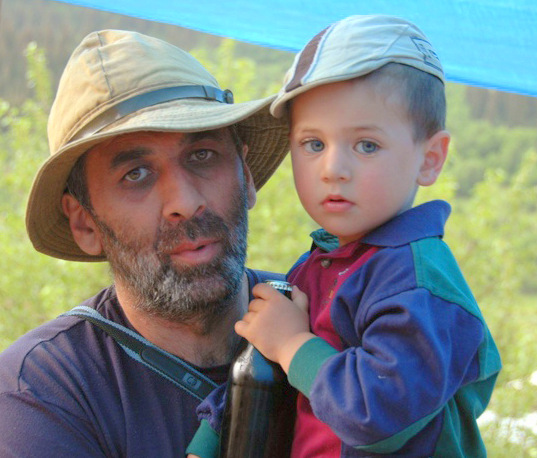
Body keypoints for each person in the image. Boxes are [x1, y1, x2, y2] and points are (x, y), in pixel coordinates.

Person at [188, 15, 502, 457]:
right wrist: (207, 443)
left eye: (366, 145)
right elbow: (259, 367)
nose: (332, 168)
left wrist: (294, 343)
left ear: (430, 159)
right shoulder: (317, 265)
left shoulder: (418, 281)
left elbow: (379, 413)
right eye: (313, 144)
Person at [0, 29, 290, 456]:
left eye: (202, 155)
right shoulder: (43, 391)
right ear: (85, 223)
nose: (186, 203)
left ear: (244, 175)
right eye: (136, 173)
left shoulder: (324, 315)